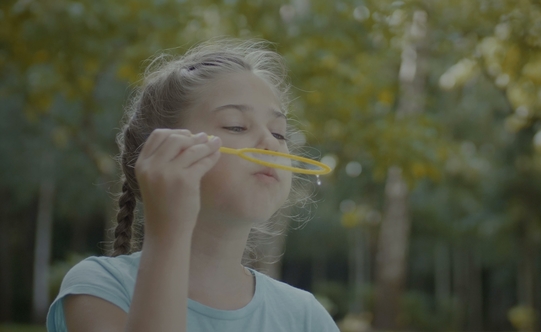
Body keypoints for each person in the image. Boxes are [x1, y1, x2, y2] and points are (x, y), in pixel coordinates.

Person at [46, 38, 339, 332]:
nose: (270, 144)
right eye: (235, 126)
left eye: (279, 133)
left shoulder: (305, 317)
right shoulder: (102, 287)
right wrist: (169, 230)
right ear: (162, 151)